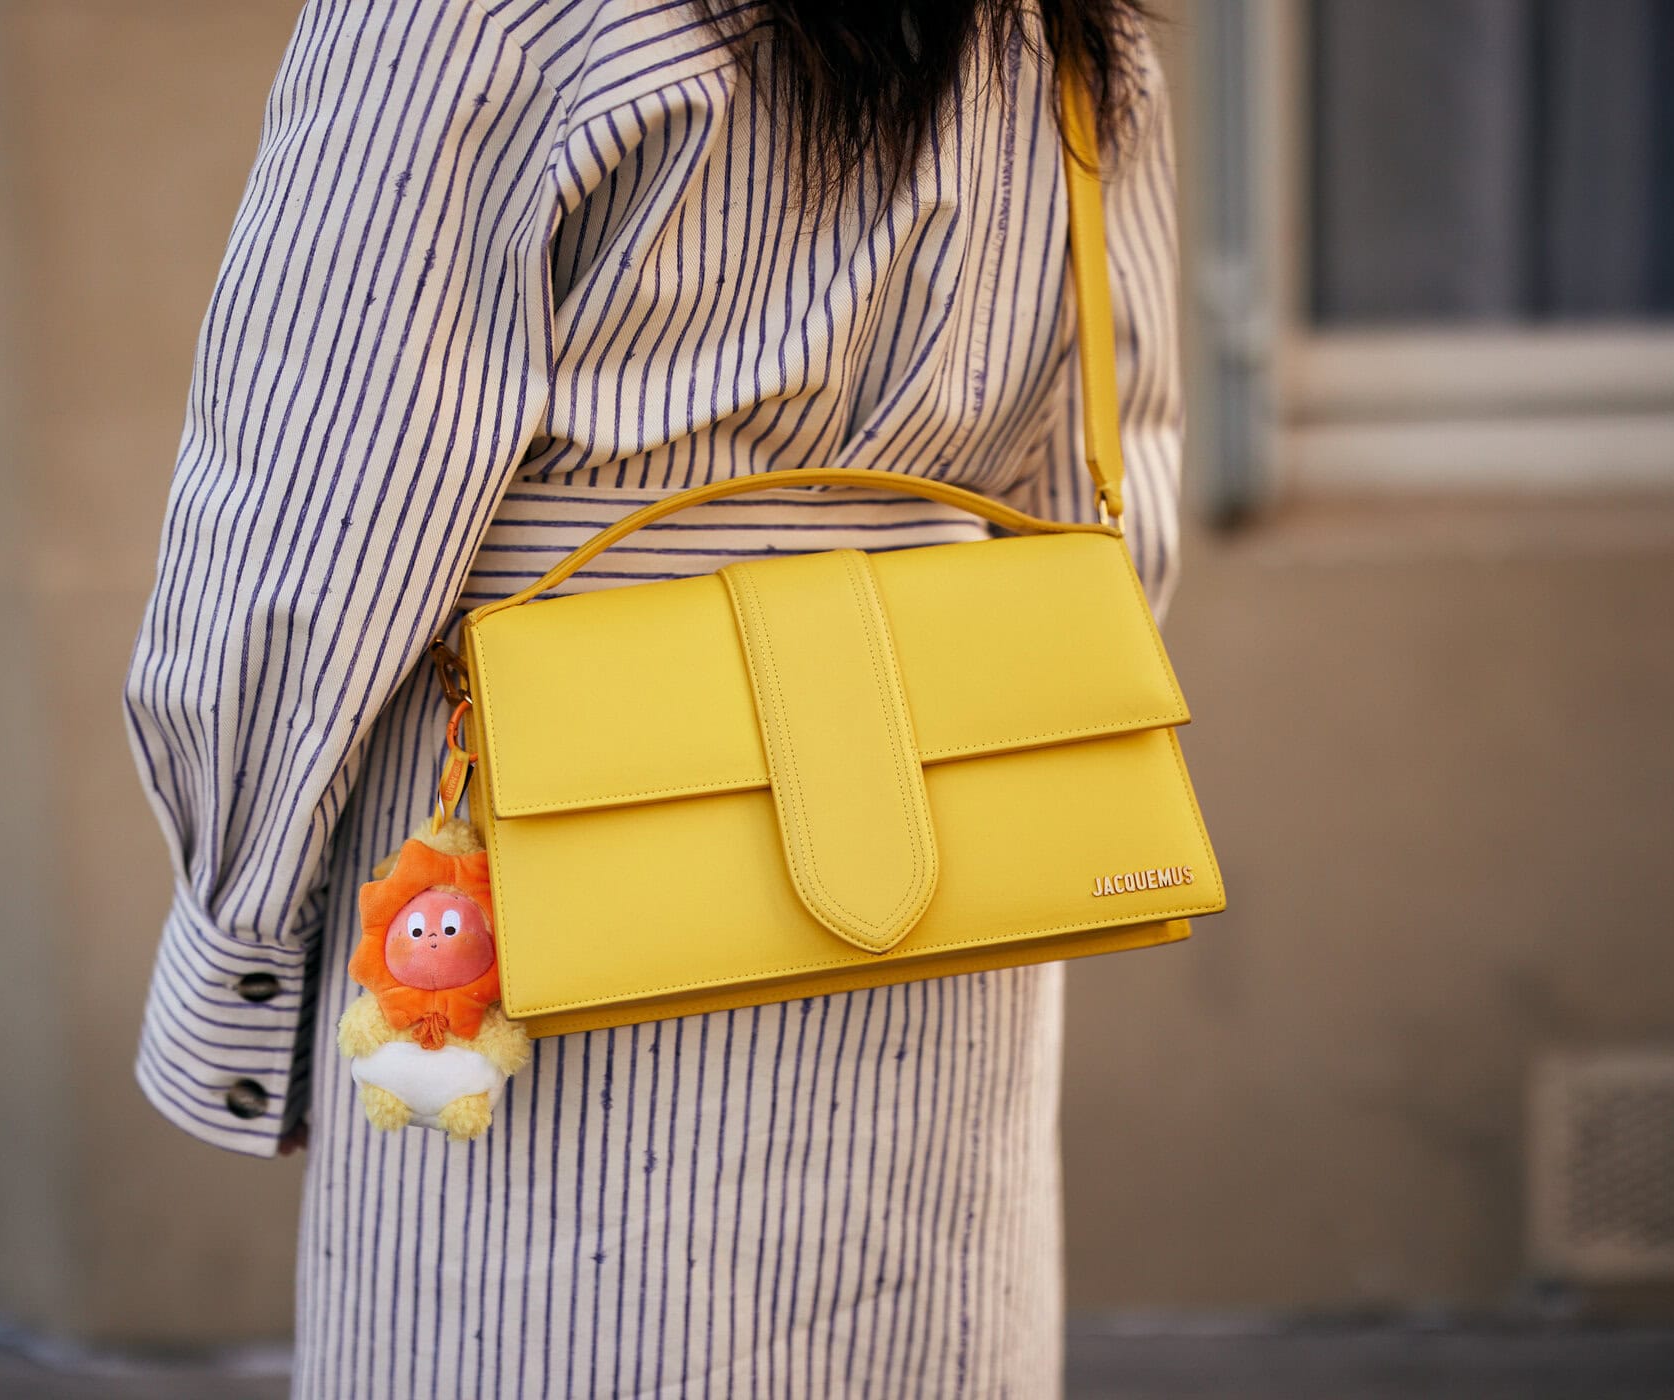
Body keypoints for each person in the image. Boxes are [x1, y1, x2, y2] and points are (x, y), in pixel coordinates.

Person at [124, 1, 1178, 1394]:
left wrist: (240, 946)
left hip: (543, 875)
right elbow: (1110, 509)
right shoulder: (1069, 28)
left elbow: (311, 529)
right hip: (944, 897)